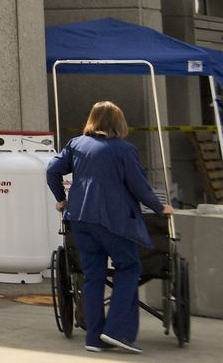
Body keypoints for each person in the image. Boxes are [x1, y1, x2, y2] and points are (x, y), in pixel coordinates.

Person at [46, 101, 166, 354]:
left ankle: (94, 338)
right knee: (129, 267)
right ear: (118, 123)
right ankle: (117, 331)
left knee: (93, 276)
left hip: (79, 218)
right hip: (114, 220)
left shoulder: (76, 144)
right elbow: (139, 186)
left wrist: (61, 199)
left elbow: (51, 169)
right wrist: (159, 207)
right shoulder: (124, 150)